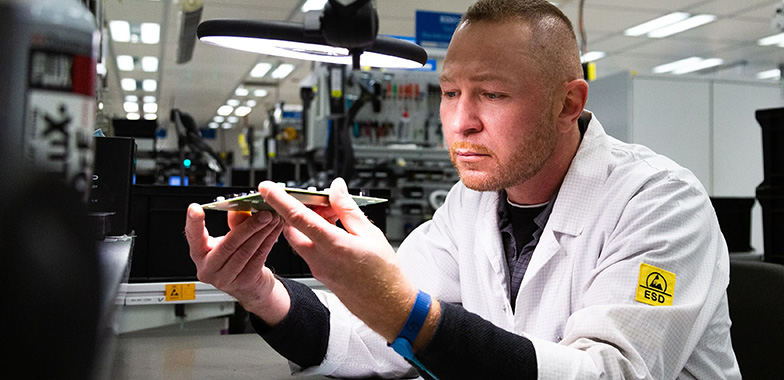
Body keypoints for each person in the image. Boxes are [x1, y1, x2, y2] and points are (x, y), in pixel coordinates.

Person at [185, 0, 741, 378]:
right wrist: (262, 292)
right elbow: (367, 336)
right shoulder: (471, 202)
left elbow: (609, 373)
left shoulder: (663, 206)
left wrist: (407, 313)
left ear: (568, 103)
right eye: (451, 92)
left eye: (492, 95)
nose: (461, 122)